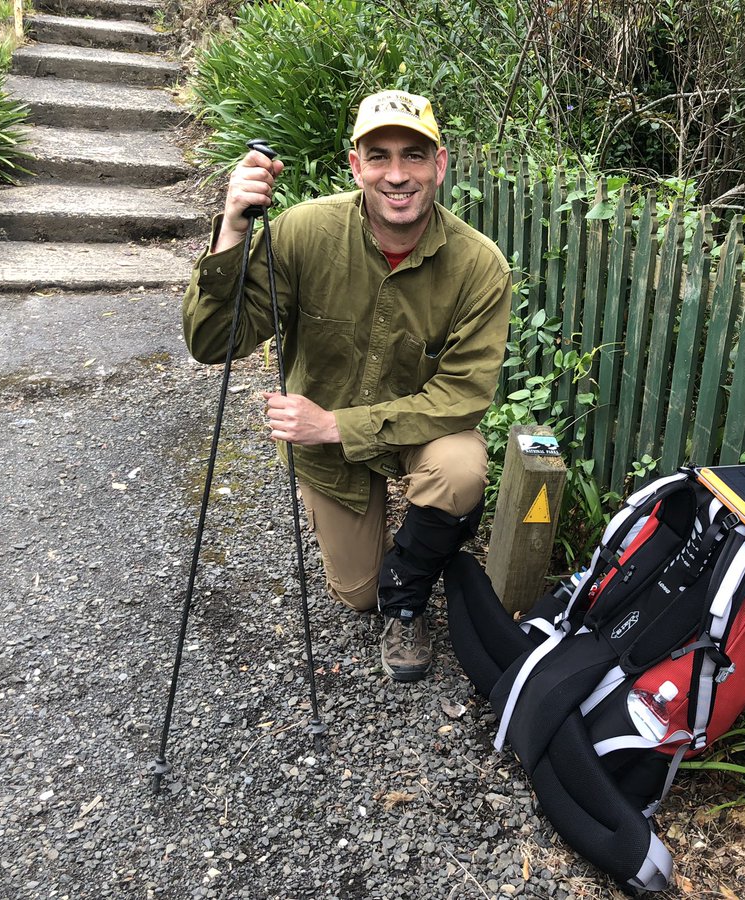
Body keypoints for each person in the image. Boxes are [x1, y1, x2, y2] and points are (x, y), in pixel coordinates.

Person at [181, 90, 511, 683]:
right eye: (378, 155)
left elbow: (462, 394)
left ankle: (408, 592)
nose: (396, 174)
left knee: (460, 472)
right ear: (355, 165)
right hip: (328, 450)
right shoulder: (303, 233)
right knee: (357, 595)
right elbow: (213, 345)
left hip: (410, 432)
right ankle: (406, 554)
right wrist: (232, 228)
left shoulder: (479, 265)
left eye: (414, 155)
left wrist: (332, 423)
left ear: (439, 165)